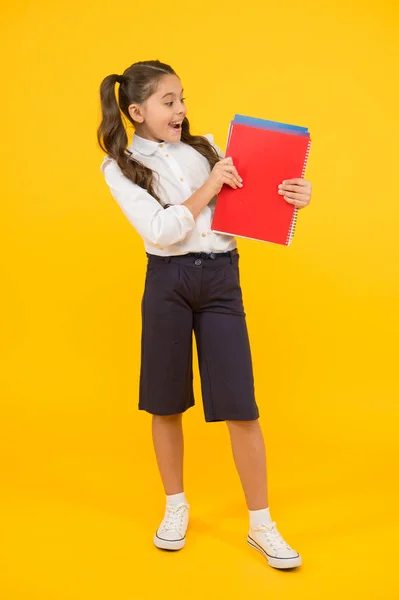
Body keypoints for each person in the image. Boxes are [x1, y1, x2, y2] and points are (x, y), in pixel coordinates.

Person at [97, 60, 312, 570]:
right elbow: (161, 231)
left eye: (183, 99)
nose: (182, 110)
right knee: (165, 400)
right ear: (136, 111)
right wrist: (211, 186)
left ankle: (262, 525)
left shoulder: (208, 148)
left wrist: (296, 199)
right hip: (167, 284)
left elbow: (252, 206)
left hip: (221, 280)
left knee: (241, 403)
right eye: (169, 101)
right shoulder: (121, 165)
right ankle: (176, 507)